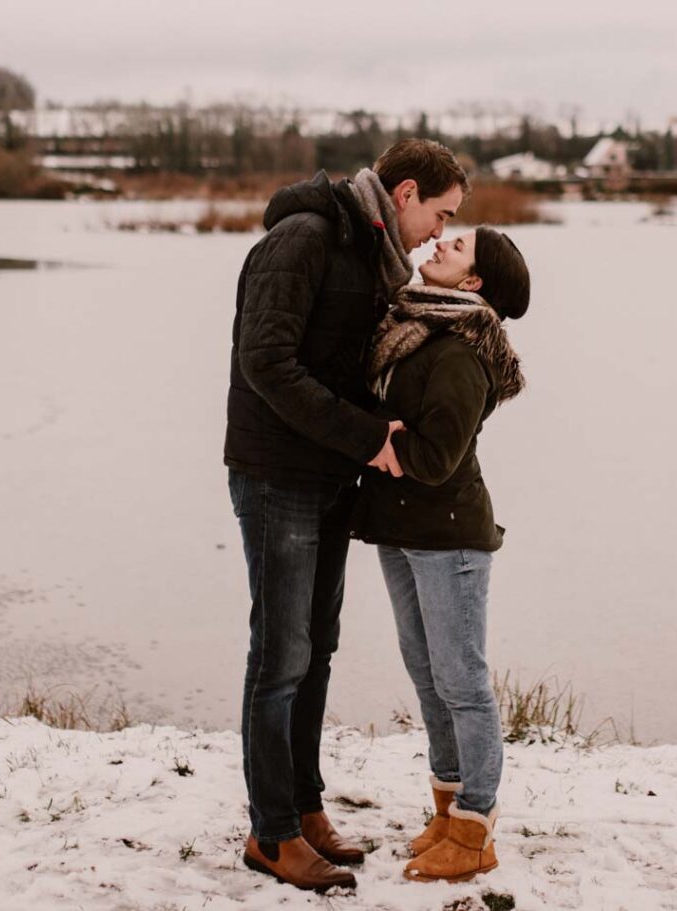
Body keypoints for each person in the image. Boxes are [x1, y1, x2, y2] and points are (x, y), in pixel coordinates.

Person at [224, 139, 469, 892]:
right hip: (276, 475)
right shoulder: (303, 237)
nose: (437, 230)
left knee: (316, 648)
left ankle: (303, 807)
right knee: (280, 657)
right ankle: (270, 833)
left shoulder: (370, 253)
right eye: (440, 212)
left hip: (328, 474)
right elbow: (265, 361)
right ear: (402, 193)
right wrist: (368, 437)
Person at [353, 225, 531, 883]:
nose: (439, 244)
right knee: (428, 675)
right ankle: (447, 810)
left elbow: (433, 458)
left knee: (461, 680)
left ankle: (476, 829)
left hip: (448, 534)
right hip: (403, 528)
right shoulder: (416, 325)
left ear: (476, 282)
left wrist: (375, 441)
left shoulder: (459, 351)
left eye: (457, 247)